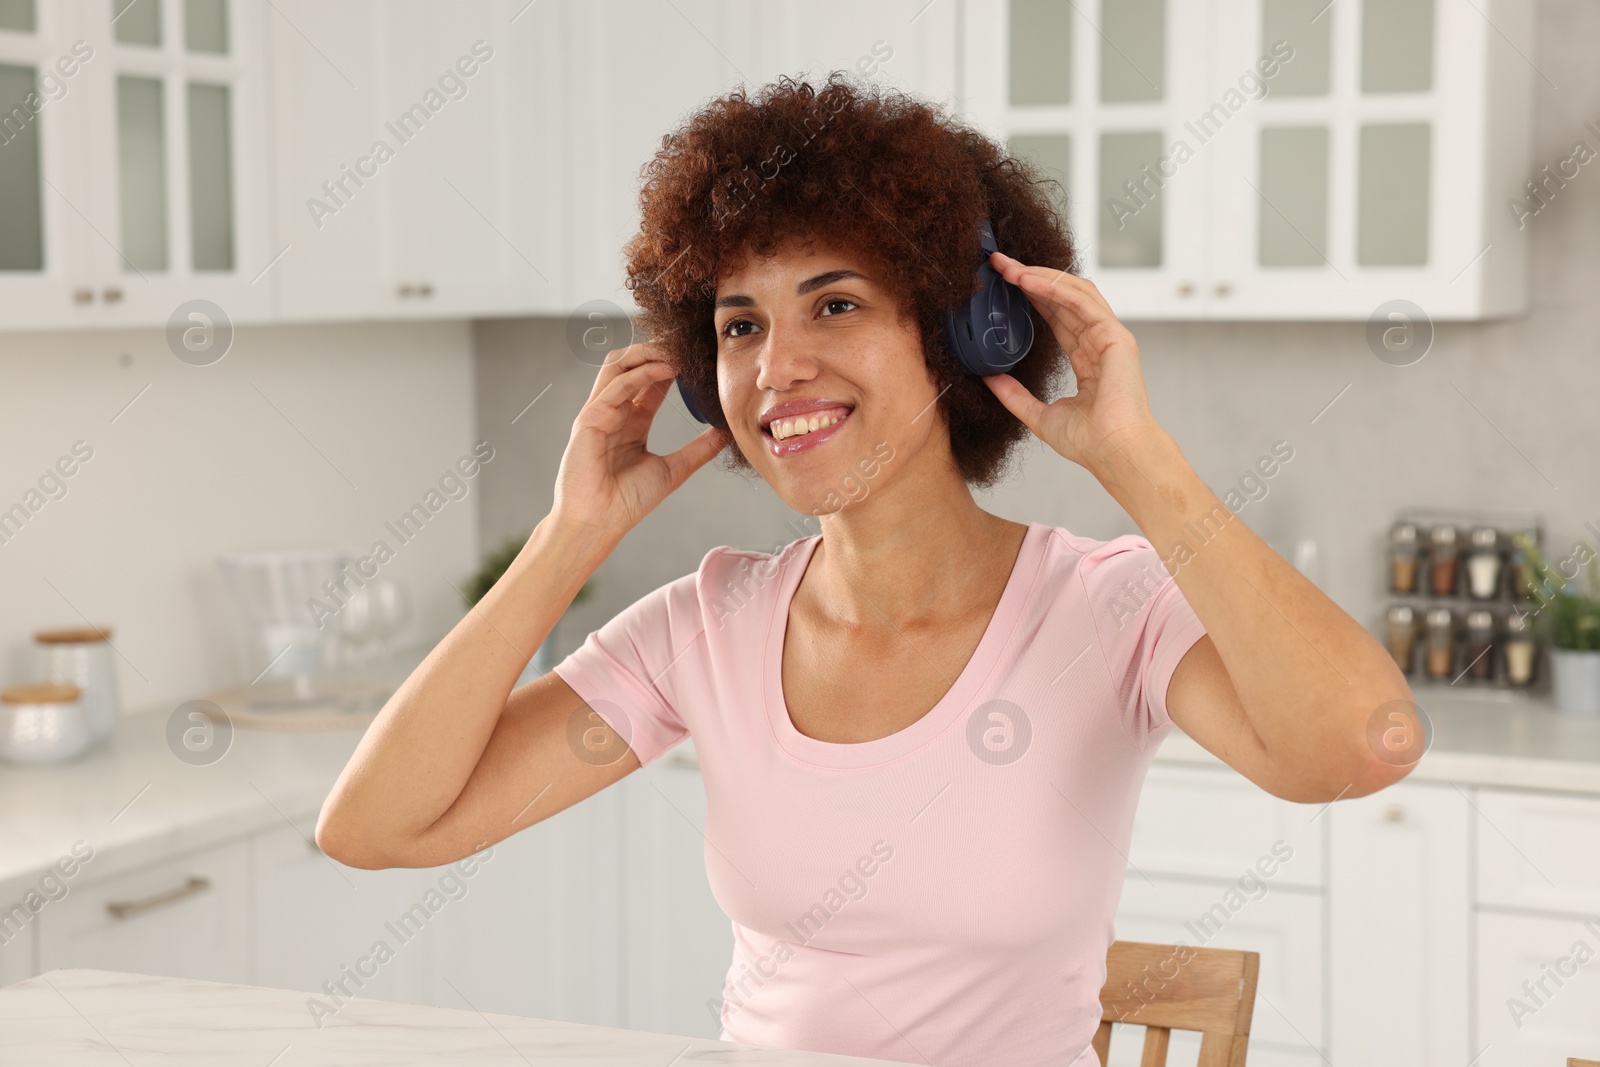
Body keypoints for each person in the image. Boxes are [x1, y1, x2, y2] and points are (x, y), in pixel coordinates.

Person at [316, 73, 1418, 1067]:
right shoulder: (709, 625)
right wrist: (571, 534)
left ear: (961, 335)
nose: (776, 368)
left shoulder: (1104, 608)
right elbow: (377, 827)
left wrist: (1144, 467)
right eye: (738, 325)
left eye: (834, 305)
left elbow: (1360, 749)